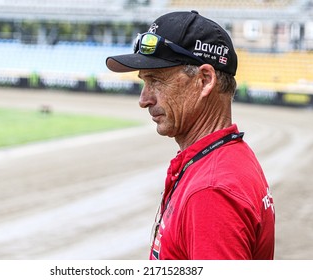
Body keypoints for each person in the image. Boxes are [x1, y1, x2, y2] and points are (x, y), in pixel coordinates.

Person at [106, 10, 275, 260]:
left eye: (156, 80)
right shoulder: (226, 157)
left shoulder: (212, 190)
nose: (144, 99)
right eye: (144, 82)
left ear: (205, 80)